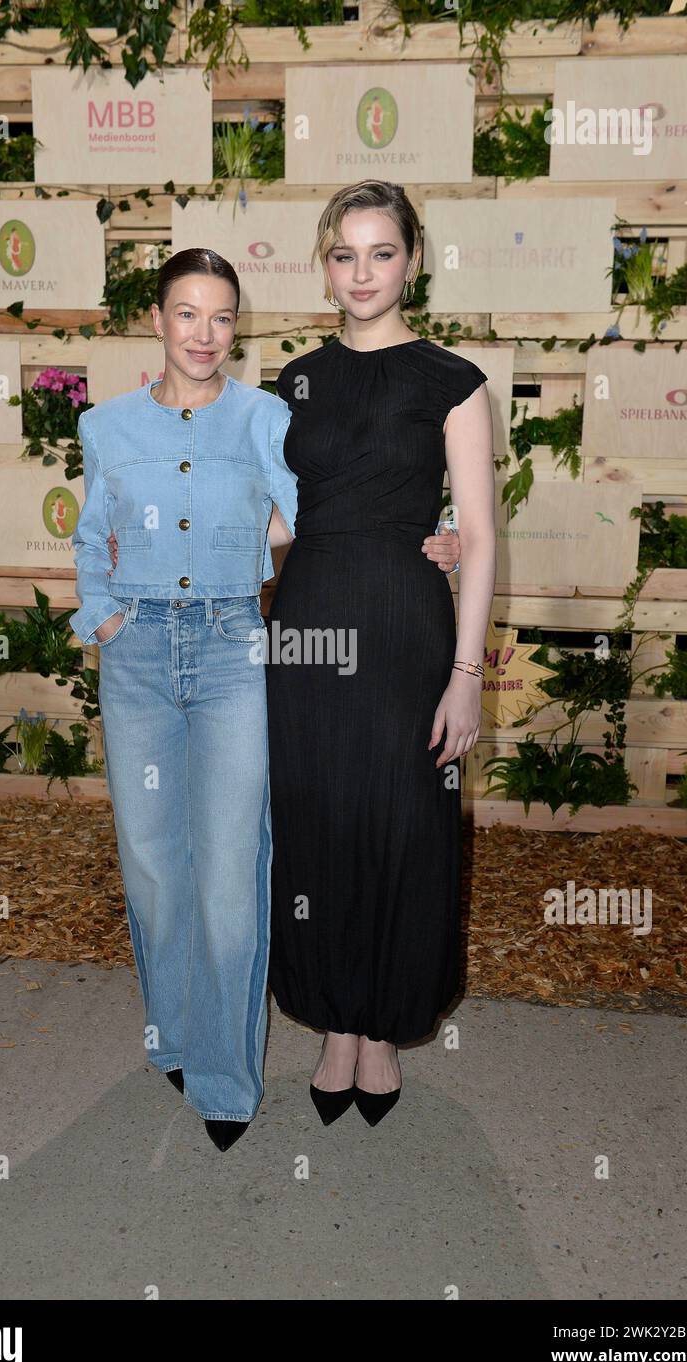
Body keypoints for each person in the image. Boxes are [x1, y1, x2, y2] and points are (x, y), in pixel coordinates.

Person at [72, 246, 461, 1151]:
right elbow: (94, 537)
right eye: (186, 314)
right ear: (157, 321)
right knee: (155, 871)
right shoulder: (107, 426)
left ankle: (223, 1081)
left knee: (232, 877)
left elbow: (331, 508)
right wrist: (101, 619)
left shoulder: (266, 416)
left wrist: (431, 534)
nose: (204, 334)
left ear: (234, 327)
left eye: (221, 317)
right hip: (134, 657)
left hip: (230, 651)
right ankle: (173, 1031)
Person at [265, 179, 496, 1127]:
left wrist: (467, 676)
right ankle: (333, 1026)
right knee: (318, 819)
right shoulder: (294, 380)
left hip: (405, 628)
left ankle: (380, 1029)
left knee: (401, 821)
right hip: (308, 621)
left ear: (412, 260)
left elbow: (477, 535)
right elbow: (273, 521)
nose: (361, 272)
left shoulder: (452, 381)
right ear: (325, 265)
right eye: (343, 253)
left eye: (381, 252)